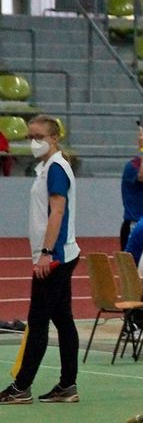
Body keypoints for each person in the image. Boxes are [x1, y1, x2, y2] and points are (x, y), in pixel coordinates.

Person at [0, 114, 80, 404]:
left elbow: (57, 213)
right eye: (30, 137)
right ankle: (68, 385)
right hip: (58, 254)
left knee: (37, 322)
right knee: (63, 320)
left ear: (54, 138)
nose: (33, 142)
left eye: (39, 137)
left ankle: (21, 387)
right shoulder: (46, 168)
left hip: (55, 257)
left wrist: (47, 253)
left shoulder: (57, 168)